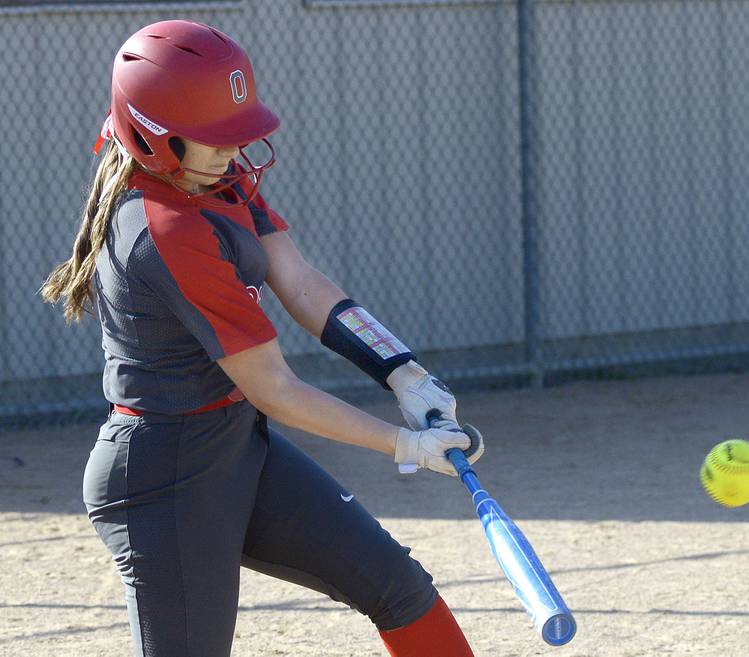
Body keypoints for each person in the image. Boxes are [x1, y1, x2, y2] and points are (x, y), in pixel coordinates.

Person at [40, 19, 484, 657]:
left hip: (236, 445)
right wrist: (405, 443)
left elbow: (300, 283)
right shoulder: (165, 230)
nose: (232, 150)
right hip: (165, 474)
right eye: (214, 137)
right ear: (154, 135)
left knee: (398, 586)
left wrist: (403, 373)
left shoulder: (214, 179)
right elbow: (274, 387)